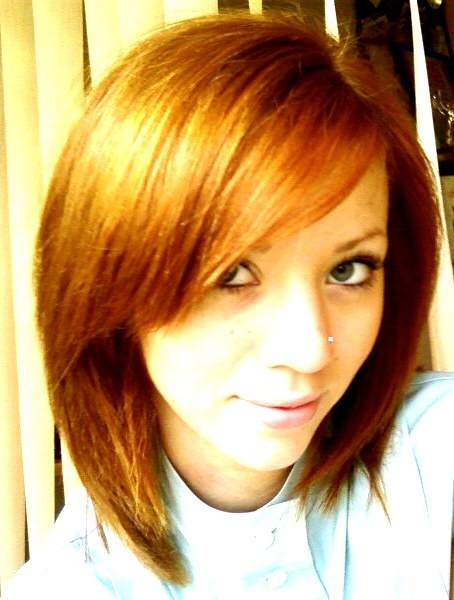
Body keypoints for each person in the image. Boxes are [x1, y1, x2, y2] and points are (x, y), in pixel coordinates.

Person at [6, 11, 454, 600]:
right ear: (109, 288)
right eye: (231, 274)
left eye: (348, 270)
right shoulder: (71, 586)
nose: (308, 350)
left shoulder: (431, 446)